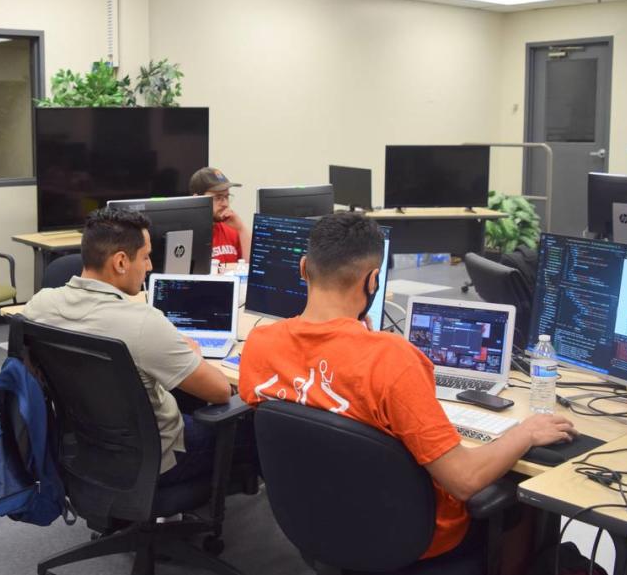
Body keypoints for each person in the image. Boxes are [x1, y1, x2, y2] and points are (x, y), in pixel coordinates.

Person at [239, 212, 576, 564]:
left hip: (318, 523)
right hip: (421, 540)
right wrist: (526, 432)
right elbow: (464, 479)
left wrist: (358, 341)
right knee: (526, 498)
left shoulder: (261, 344)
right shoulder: (391, 359)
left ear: (304, 267)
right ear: (373, 281)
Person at [24, 207, 234, 484]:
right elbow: (220, 392)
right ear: (121, 261)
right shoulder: (143, 323)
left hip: (83, 446)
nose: (149, 266)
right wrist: (194, 356)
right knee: (249, 429)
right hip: (159, 457)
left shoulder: (39, 306)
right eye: (146, 257)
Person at [189, 167, 251, 265]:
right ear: (197, 200)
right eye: (218, 198)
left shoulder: (232, 229)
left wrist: (241, 229)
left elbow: (251, 269)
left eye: (226, 197)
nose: (225, 203)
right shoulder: (187, 236)